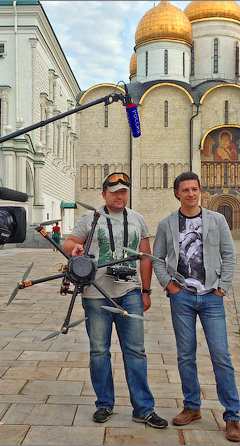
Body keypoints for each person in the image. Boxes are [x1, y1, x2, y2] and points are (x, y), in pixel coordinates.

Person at [62, 172, 168, 429]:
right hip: (95, 293)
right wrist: (74, 249)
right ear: (104, 194)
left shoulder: (137, 219)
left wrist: (146, 291)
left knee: (136, 351)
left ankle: (143, 408)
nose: (120, 195)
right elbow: (69, 243)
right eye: (115, 191)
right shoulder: (90, 217)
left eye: (124, 191)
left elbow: (145, 256)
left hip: (129, 292)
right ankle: (104, 403)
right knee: (99, 351)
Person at [151, 171, 240, 442]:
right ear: (176, 193)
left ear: (200, 191)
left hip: (212, 297)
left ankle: (232, 415)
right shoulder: (167, 224)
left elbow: (229, 254)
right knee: (185, 354)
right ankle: (192, 406)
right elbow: (157, 258)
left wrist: (223, 286)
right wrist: (169, 285)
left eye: (195, 189)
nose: (191, 194)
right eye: (185, 190)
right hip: (182, 297)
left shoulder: (217, 220)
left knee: (221, 355)